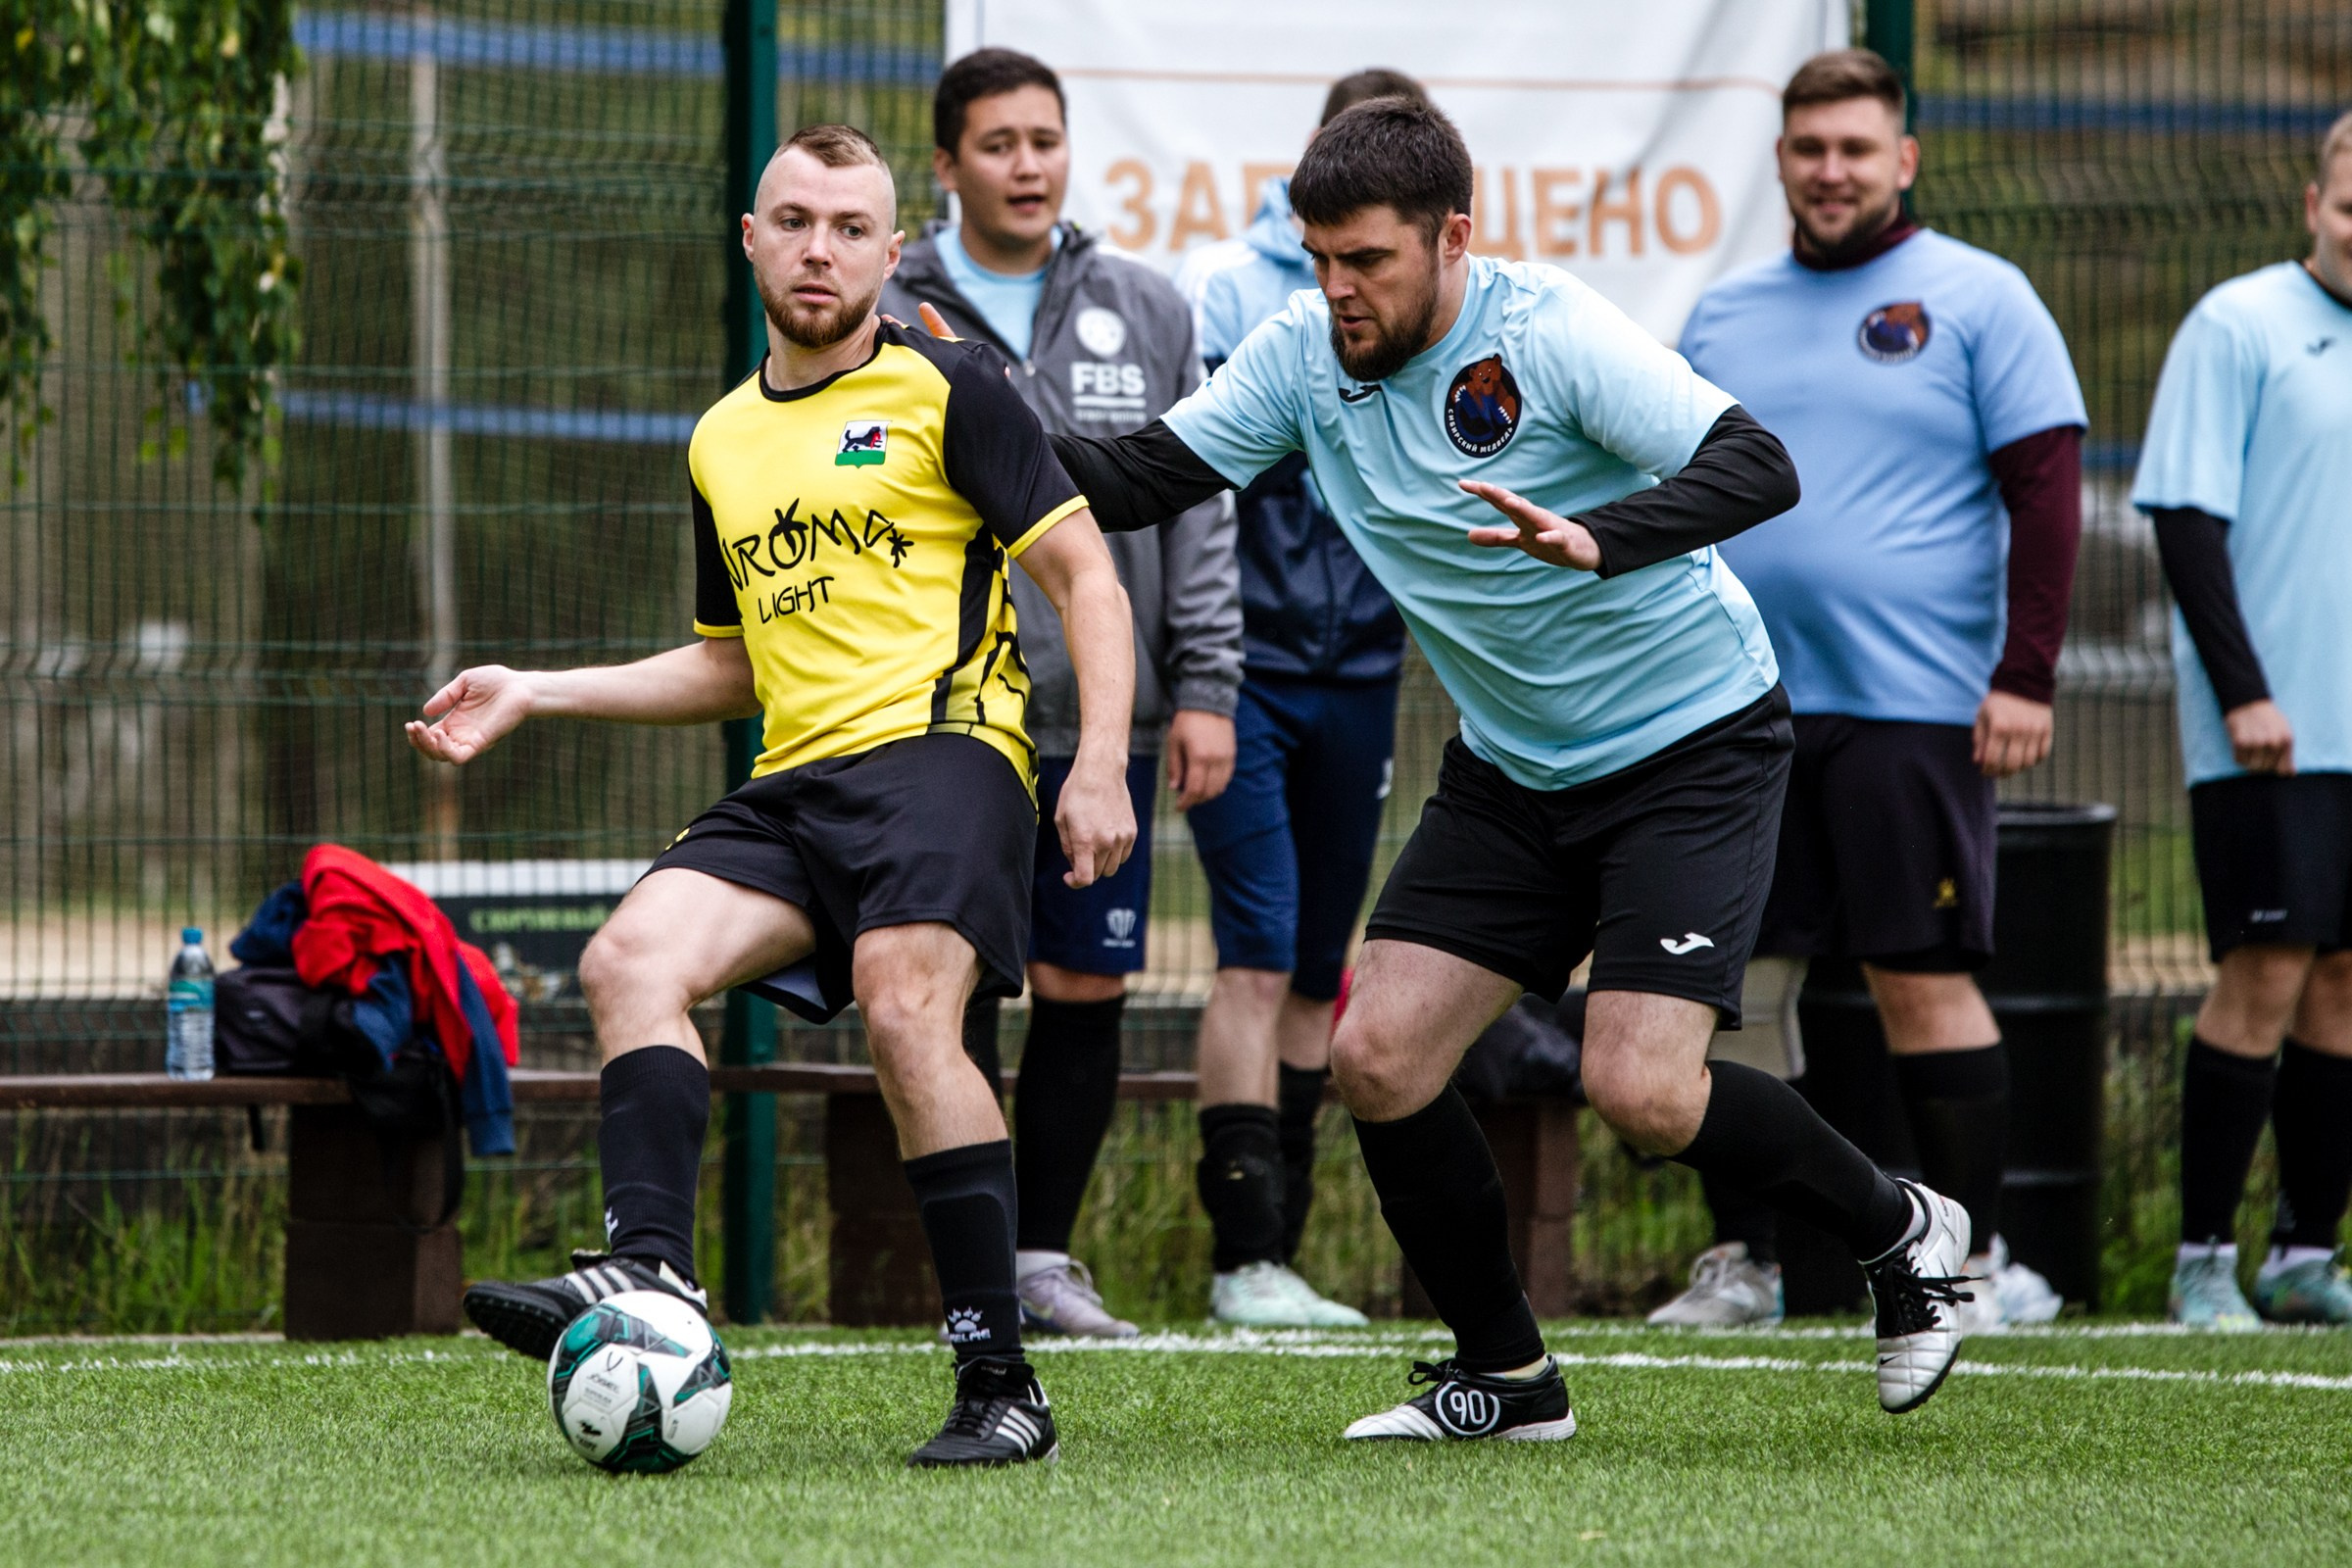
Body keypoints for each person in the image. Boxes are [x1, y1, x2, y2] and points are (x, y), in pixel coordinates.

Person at [943, 95, 1979, 1438]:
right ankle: (1508, 1375)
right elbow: (1136, 478)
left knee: (1643, 1091)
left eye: (1368, 261)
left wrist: (1598, 538)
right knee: (1377, 1054)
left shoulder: (1545, 331)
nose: (1339, 291)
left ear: (1453, 237)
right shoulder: (1299, 356)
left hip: (1690, 745)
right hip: (1515, 766)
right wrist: (949, 413)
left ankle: (1904, 1230)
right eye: (1320, 260)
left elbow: (1756, 466)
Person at [411, 123, 1138, 1467]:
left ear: (892, 248)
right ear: (750, 238)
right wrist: (536, 689)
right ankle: (656, 1277)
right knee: (628, 959)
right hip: (795, 781)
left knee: (905, 1002)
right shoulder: (722, 441)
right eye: (793, 221)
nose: (819, 248)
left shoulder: (953, 389)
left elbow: (1087, 578)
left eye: (850, 227)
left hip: (950, 754)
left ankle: (1002, 1386)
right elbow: (732, 663)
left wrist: (1097, 760)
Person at [1661, 48, 2084, 1332]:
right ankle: (1748, 1264)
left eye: (1856, 149)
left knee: (1918, 978)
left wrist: (2025, 675)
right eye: (1808, 149)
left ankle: (1974, 1263)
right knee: (1725, 991)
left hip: (1916, 711)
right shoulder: (1723, 313)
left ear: (1902, 160)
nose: (1830, 170)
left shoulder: (1982, 297)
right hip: (1738, 713)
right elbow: (1678, 492)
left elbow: (2050, 492)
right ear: (1780, 161)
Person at [881, 47, 1244, 1341]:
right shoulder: (888, 304)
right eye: (997, 144)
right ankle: (972, 1265)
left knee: (1086, 987)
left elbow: (1198, 503)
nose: (1027, 164)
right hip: (941, 720)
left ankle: (1042, 1257)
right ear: (945, 166)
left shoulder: (1144, 307)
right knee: (952, 986)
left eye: (1046, 139)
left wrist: (1203, 681)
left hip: (1100, 718)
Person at [1157, 68, 1432, 1329]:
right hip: (1248, 675)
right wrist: (1202, 677)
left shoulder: (1443, 296)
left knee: (1328, 965)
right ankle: (1242, 1259)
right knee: (1259, 948)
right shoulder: (1236, 287)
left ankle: (1286, 1257)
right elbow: (1199, 482)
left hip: (1365, 672)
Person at [2135, 109, 2352, 1331]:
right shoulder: (2239, 324)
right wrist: (2246, 691)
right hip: (2271, 732)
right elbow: (2184, 521)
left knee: (2343, 988)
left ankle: (2306, 1253)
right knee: (2263, 973)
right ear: (2313, 204)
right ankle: (2203, 1259)